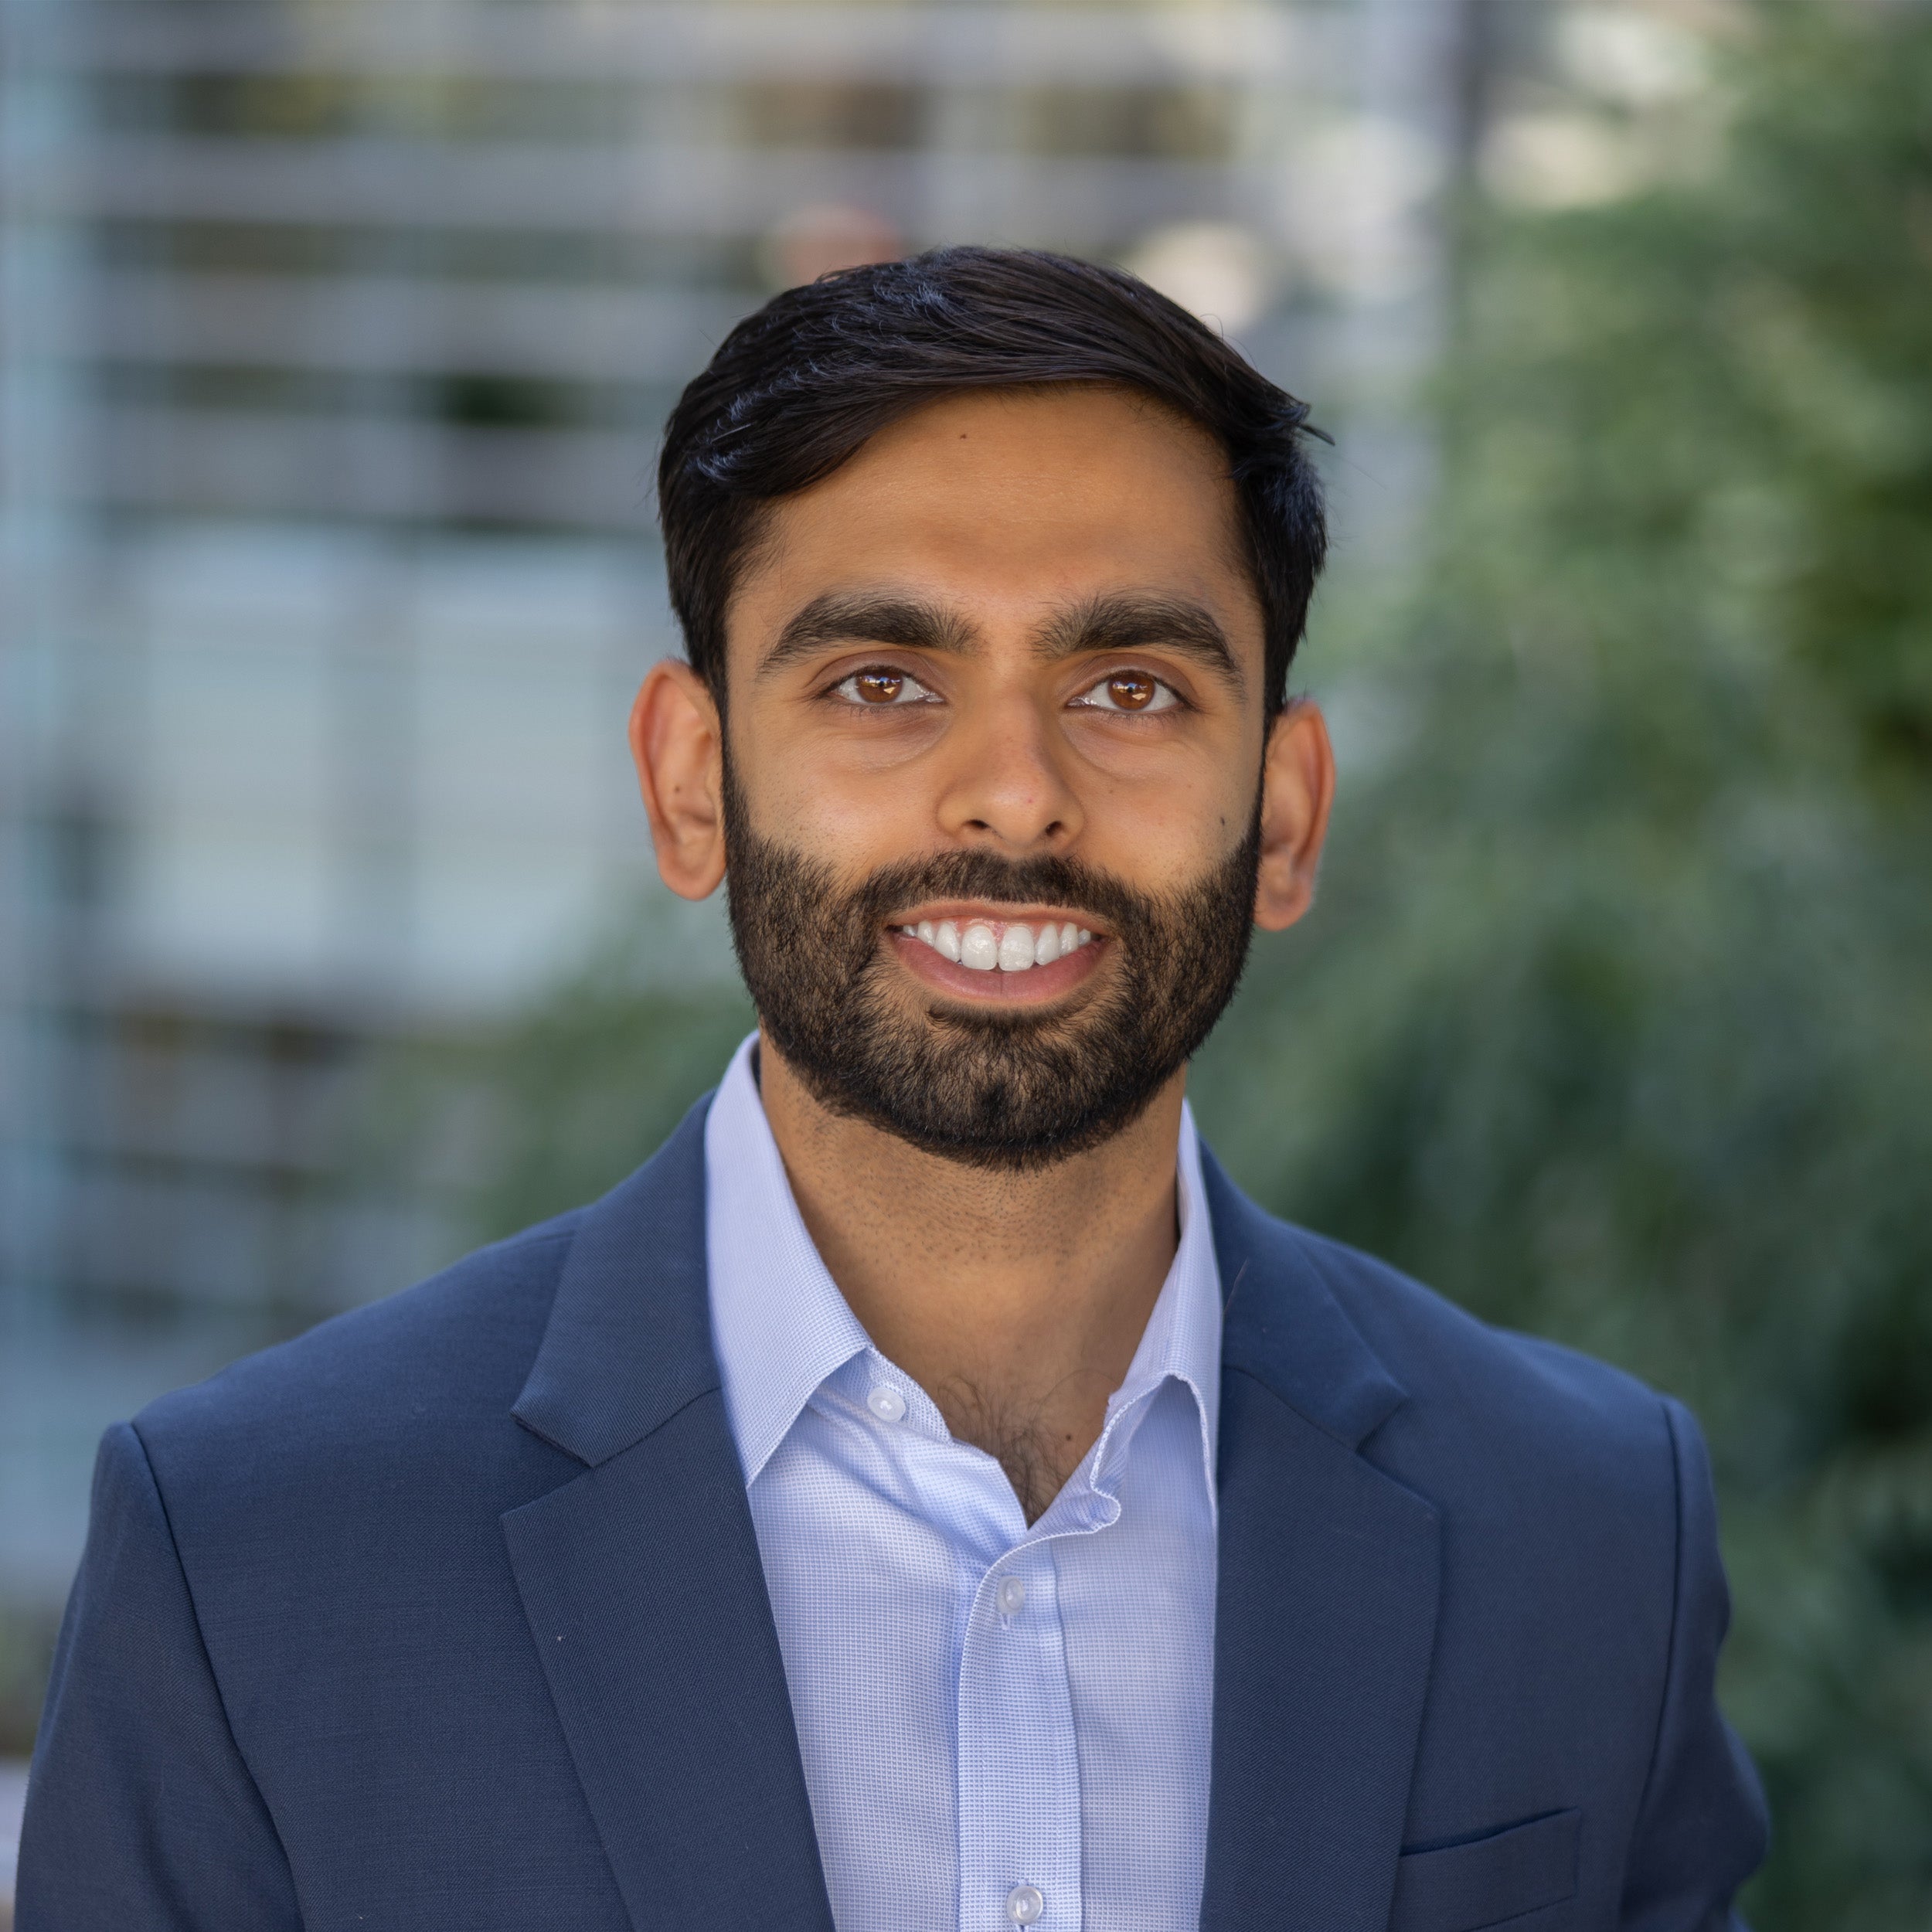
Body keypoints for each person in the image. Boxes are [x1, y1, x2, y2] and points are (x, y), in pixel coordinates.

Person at [17, 248, 1767, 1932]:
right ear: (693, 782)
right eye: (880, 681)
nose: (1011, 793)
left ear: (1286, 810)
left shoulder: (1588, 1528)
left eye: (1129, 685)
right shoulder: (251, 1556)